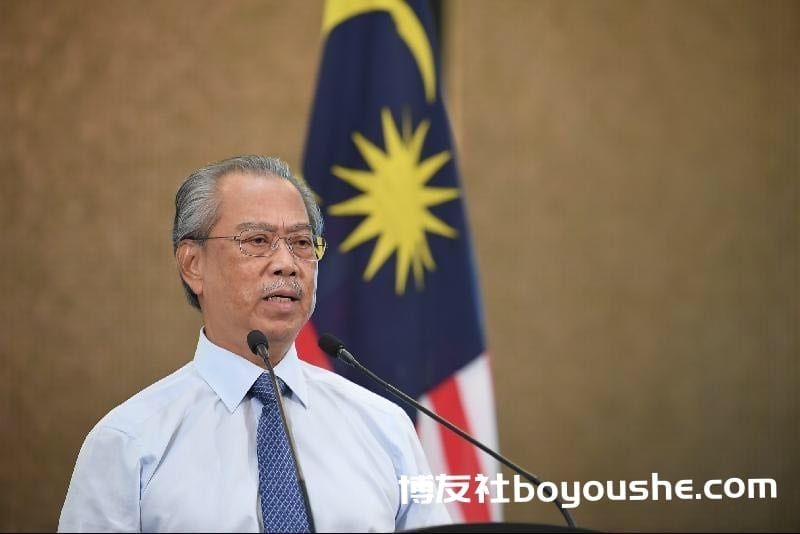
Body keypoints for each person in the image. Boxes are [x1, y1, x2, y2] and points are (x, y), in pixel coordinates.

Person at [58, 155, 451, 532]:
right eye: (258, 240)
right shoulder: (128, 442)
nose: (287, 263)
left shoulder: (385, 426)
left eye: (301, 242)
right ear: (193, 264)